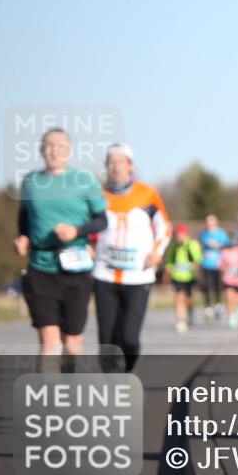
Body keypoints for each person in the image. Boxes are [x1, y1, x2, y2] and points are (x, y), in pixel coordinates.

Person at [13, 128, 108, 371]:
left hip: (76, 268)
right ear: (41, 150)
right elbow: (24, 218)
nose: (54, 150)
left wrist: (77, 230)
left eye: (61, 145)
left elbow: (102, 221)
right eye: (49, 145)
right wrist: (23, 238)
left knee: (73, 341)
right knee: (49, 340)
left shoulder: (84, 180)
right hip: (40, 267)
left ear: (70, 151)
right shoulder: (30, 182)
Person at [92, 143, 172, 372]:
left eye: (120, 162)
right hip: (104, 274)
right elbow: (86, 227)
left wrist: (156, 252)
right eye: (111, 162)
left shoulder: (147, 194)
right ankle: (113, 384)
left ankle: (127, 370)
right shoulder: (98, 196)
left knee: (129, 338)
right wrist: (87, 246)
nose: (115, 167)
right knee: (107, 340)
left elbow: (165, 227)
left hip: (138, 276)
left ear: (130, 166)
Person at [165, 223, 202, 332]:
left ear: (185, 234)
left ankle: (189, 312)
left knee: (188, 299)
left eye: (181, 234)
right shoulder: (173, 246)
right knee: (178, 297)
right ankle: (180, 320)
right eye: (177, 234)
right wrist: (169, 270)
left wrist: (195, 270)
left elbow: (198, 259)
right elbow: (169, 260)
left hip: (189, 276)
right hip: (177, 276)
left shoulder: (192, 244)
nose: (179, 237)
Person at [199, 214, 230, 320]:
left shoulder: (221, 233)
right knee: (207, 285)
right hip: (206, 263)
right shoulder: (204, 234)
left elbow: (227, 246)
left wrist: (219, 246)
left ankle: (218, 304)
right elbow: (201, 247)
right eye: (207, 221)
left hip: (218, 263)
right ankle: (208, 306)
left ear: (216, 221)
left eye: (211, 220)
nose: (209, 223)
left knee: (218, 285)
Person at [218, 239, 238, 329]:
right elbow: (221, 265)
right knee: (230, 298)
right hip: (228, 279)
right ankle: (232, 316)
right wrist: (225, 268)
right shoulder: (224, 252)